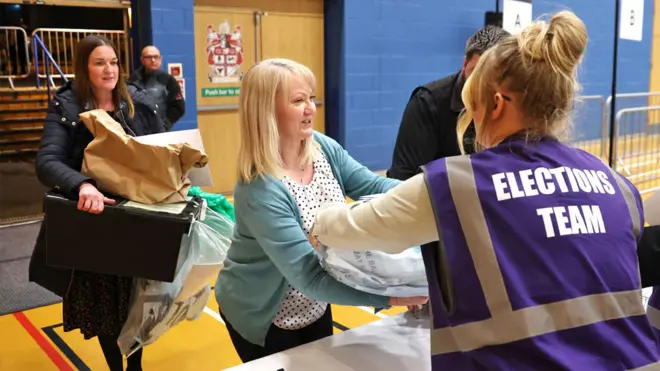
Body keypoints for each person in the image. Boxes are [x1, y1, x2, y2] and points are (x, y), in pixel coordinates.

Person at [310, 11, 660, 370]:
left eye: (472, 108)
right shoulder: (618, 186)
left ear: (495, 105)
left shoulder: (458, 185)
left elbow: (364, 226)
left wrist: (318, 224)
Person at [214, 58, 427, 364]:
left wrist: (432, 192)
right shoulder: (260, 189)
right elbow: (309, 276)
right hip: (262, 312)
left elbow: (375, 188)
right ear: (266, 112)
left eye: (311, 98)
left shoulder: (322, 148)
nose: (311, 108)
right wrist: (391, 295)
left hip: (314, 303)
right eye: (299, 100)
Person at [29, 35, 165, 371]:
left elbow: (163, 147)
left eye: (114, 62)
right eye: (99, 62)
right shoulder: (67, 106)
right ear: (83, 68)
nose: (109, 69)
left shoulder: (137, 101)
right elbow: (48, 161)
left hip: (137, 218)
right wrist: (83, 185)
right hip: (96, 221)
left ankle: (135, 367)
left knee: (137, 304)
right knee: (106, 309)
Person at [387, 25, 510, 181]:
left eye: (491, 77)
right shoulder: (428, 101)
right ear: (464, 65)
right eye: (475, 73)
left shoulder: (514, 103)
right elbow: (402, 178)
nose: (481, 86)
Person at [129, 45, 185, 131]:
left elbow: (179, 107)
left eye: (156, 57)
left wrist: (165, 124)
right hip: (138, 131)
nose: (153, 60)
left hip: (161, 130)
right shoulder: (133, 80)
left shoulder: (168, 80)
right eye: (149, 57)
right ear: (142, 60)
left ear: (160, 59)